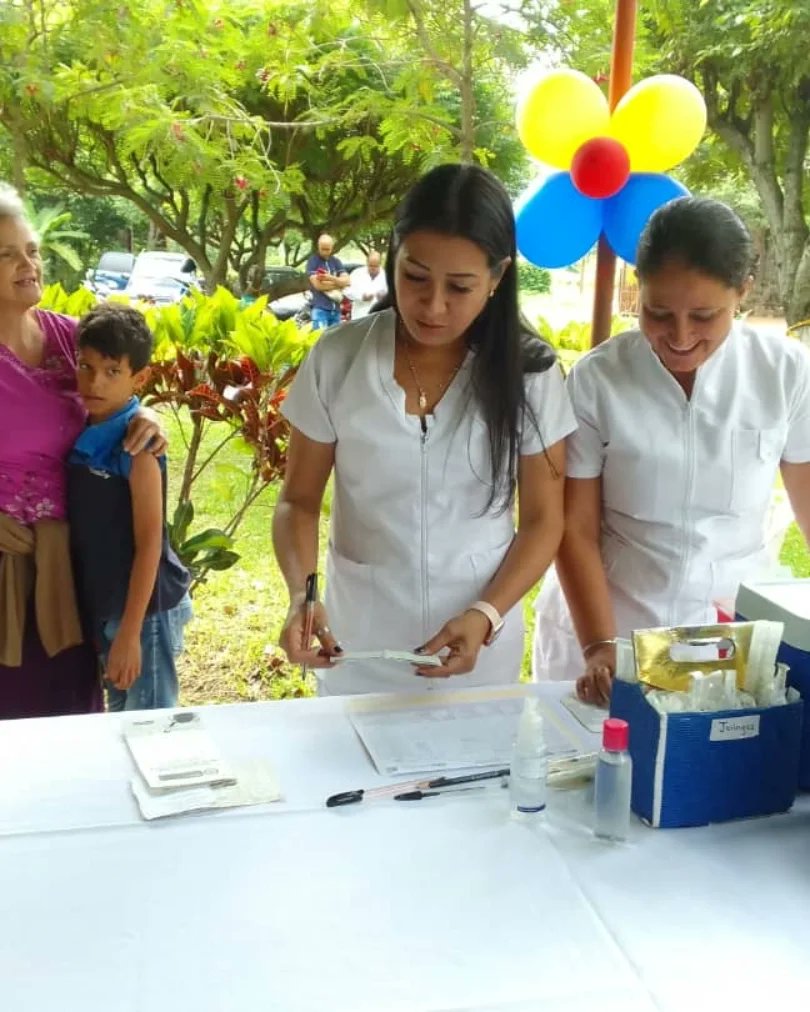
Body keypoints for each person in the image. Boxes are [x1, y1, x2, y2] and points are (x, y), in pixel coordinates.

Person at [273, 163, 576, 695]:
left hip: (479, 649)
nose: (433, 307)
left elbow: (545, 521)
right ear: (394, 256)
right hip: (358, 643)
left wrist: (488, 611)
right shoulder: (338, 359)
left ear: (498, 277)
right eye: (414, 277)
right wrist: (303, 593)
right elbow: (298, 500)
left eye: (460, 287)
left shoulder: (531, 376)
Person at [532, 196, 810, 705]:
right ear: (639, 289)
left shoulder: (785, 373)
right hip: (611, 623)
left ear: (742, 292)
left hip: (726, 634)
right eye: (658, 313)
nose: (680, 337)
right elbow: (575, 526)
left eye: (704, 315)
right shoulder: (599, 380)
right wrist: (599, 644)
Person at [0, 183, 165, 720]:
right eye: (6, 254)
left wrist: (147, 416)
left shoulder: (70, 339)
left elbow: (121, 391)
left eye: (32, 250)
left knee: (73, 722)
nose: (28, 264)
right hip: (9, 573)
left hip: (77, 569)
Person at [67, 304, 192, 711]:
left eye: (112, 372)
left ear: (139, 378)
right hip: (109, 607)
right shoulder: (86, 427)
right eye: (85, 367)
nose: (94, 382)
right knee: (121, 720)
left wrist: (130, 634)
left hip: (145, 614)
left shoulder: (137, 445)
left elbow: (150, 539)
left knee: (150, 728)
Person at [306, 233, 349, 330]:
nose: (325, 252)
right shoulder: (313, 261)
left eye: (328, 249)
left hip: (336, 310)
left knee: (334, 342)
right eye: (323, 249)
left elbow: (347, 281)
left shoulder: (336, 261)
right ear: (318, 247)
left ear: (332, 248)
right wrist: (339, 284)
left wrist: (330, 278)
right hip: (320, 309)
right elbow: (318, 285)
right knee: (321, 340)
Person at [346, 250, 388, 320]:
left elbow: (392, 294)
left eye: (376, 266)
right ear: (367, 262)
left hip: (378, 317)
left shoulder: (386, 276)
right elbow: (347, 290)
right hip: (359, 316)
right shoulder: (357, 273)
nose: (373, 268)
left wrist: (384, 296)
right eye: (371, 265)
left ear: (380, 264)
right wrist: (361, 296)